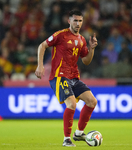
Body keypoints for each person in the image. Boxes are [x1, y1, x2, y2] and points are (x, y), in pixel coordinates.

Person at [35, 10, 98, 147]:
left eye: (80, 21)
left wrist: (91, 49)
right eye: (75, 20)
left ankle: (79, 133)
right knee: (72, 104)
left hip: (74, 77)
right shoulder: (61, 35)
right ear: (69, 21)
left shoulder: (81, 39)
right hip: (59, 76)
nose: (78, 23)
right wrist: (40, 66)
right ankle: (66, 139)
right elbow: (42, 45)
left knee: (92, 101)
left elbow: (86, 61)